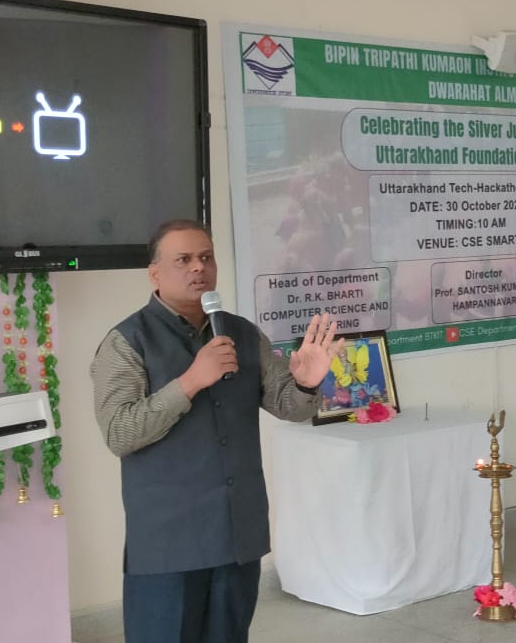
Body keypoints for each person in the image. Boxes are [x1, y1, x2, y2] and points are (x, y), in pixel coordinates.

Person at [90, 219, 343, 643]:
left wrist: (306, 383)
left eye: (206, 257)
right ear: (154, 274)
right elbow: (119, 432)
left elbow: (289, 406)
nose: (198, 268)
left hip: (236, 535)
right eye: (184, 259)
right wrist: (190, 381)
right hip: (168, 543)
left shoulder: (242, 333)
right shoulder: (126, 341)